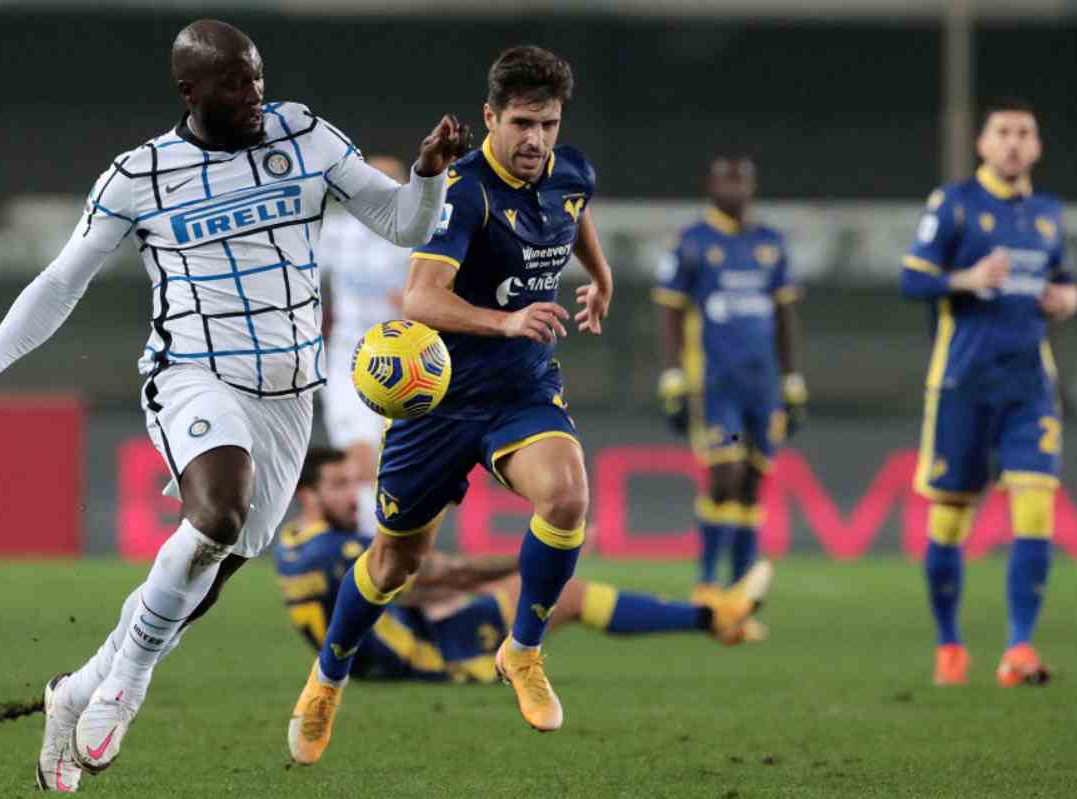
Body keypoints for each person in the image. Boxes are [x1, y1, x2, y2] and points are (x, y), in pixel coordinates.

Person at [0, 18, 465, 791]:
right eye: (235, 82)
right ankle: (127, 685)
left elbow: (401, 223)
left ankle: (75, 690)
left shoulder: (304, 135)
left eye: (256, 76)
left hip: (290, 392)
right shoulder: (139, 175)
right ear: (190, 90)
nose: (255, 94)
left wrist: (426, 173)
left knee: (206, 576)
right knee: (216, 512)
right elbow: (59, 282)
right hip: (193, 372)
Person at [286, 45, 771, 766]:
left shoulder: (570, 170)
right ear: (490, 117)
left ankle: (525, 648)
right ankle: (327, 675)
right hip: (440, 401)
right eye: (521, 123)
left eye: (547, 122)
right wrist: (504, 319)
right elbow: (420, 296)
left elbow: (573, 214)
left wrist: (600, 277)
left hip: (521, 389)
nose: (536, 139)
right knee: (393, 564)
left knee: (569, 495)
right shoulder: (464, 191)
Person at [277, 449, 771, 685]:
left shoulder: (296, 546)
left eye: (351, 483)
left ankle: (717, 616)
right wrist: (540, 557)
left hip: (394, 643)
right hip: (425, 658)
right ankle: (715, 616)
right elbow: (448, 574)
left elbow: (408, 590)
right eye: (338, 485)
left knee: (518, 590)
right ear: (309, 496)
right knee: (564, 593)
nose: (352, 495)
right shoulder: (339, 551)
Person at [901, 99, 1077, 687]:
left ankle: (1019, 650)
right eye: (1002, 132)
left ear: (1037, 146)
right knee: (950, 523)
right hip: (963, 384)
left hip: (1030, 386)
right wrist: (966, 280)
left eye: (1023, 133)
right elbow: (912, 277)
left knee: (1035, 507)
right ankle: (950, 646)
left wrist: (1068, 299)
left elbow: (1062, 279)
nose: (1012, 143)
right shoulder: (952, 204)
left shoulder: (1049, 214)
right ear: (982, 143)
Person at [653, 156, 803, 632]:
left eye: (742, 180)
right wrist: (673, 376)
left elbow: (784, 317)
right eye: (726, 179)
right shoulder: (693, 242)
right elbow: (671, 313)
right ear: (711, 185)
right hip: (715, 385)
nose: (735, 188)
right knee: (726, 475)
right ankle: (704, 584)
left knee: (752, 484)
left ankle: (739, 596)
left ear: (752, 186)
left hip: (763, 387)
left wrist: (792, 379)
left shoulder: (769, 244)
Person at [318, 155, 414, 534]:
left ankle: (393, 547)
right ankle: (367, 546)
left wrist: (413, 304)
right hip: (348, 361)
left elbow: (443, 296)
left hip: (408, 368)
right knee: (359, 458)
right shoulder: (338, 233)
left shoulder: (417, 238)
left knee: (394, 464)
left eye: (388, 184)